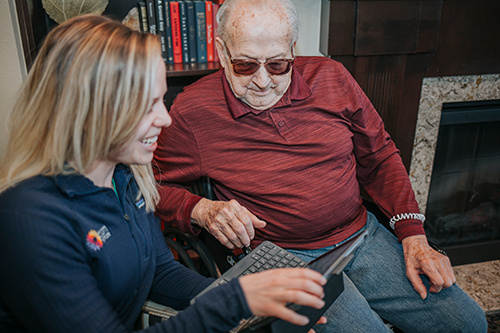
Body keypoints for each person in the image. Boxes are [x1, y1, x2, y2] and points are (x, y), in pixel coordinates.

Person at [153, 0, 488, 331]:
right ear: (223, 51)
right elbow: (151, 186)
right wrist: (203, 210)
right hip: (281, 257)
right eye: (245, 65)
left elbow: (379, 155)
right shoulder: (193, 111)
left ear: (292, 49)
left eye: (278, 65)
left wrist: (413, 234)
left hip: (360, 235)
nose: (262, 81)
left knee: (467, 324)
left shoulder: (332, 77)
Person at [0, 14, 329, 333]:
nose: (165, 119)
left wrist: (257, 307)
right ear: (87, 112)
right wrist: (235, 302)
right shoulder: (28, 218)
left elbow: (160, 271)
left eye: (161, 101)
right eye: (146, 105)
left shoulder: (124, 179)